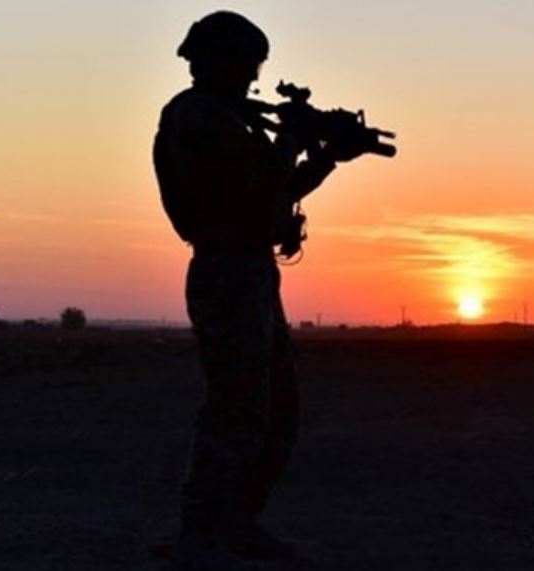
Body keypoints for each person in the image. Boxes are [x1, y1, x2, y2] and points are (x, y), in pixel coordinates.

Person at [153, 11, 368, 570]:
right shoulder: (195, 116)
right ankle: (199, 535)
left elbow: (274, 189)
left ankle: (235, 523)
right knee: (235, 408)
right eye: (246, 62)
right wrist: (293, 138)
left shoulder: (236, 119)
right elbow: (247, 176)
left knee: (276, 410)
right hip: (225, 271)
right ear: (212, 59)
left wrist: (325, 157)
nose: (253, 75)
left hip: (252, 269)